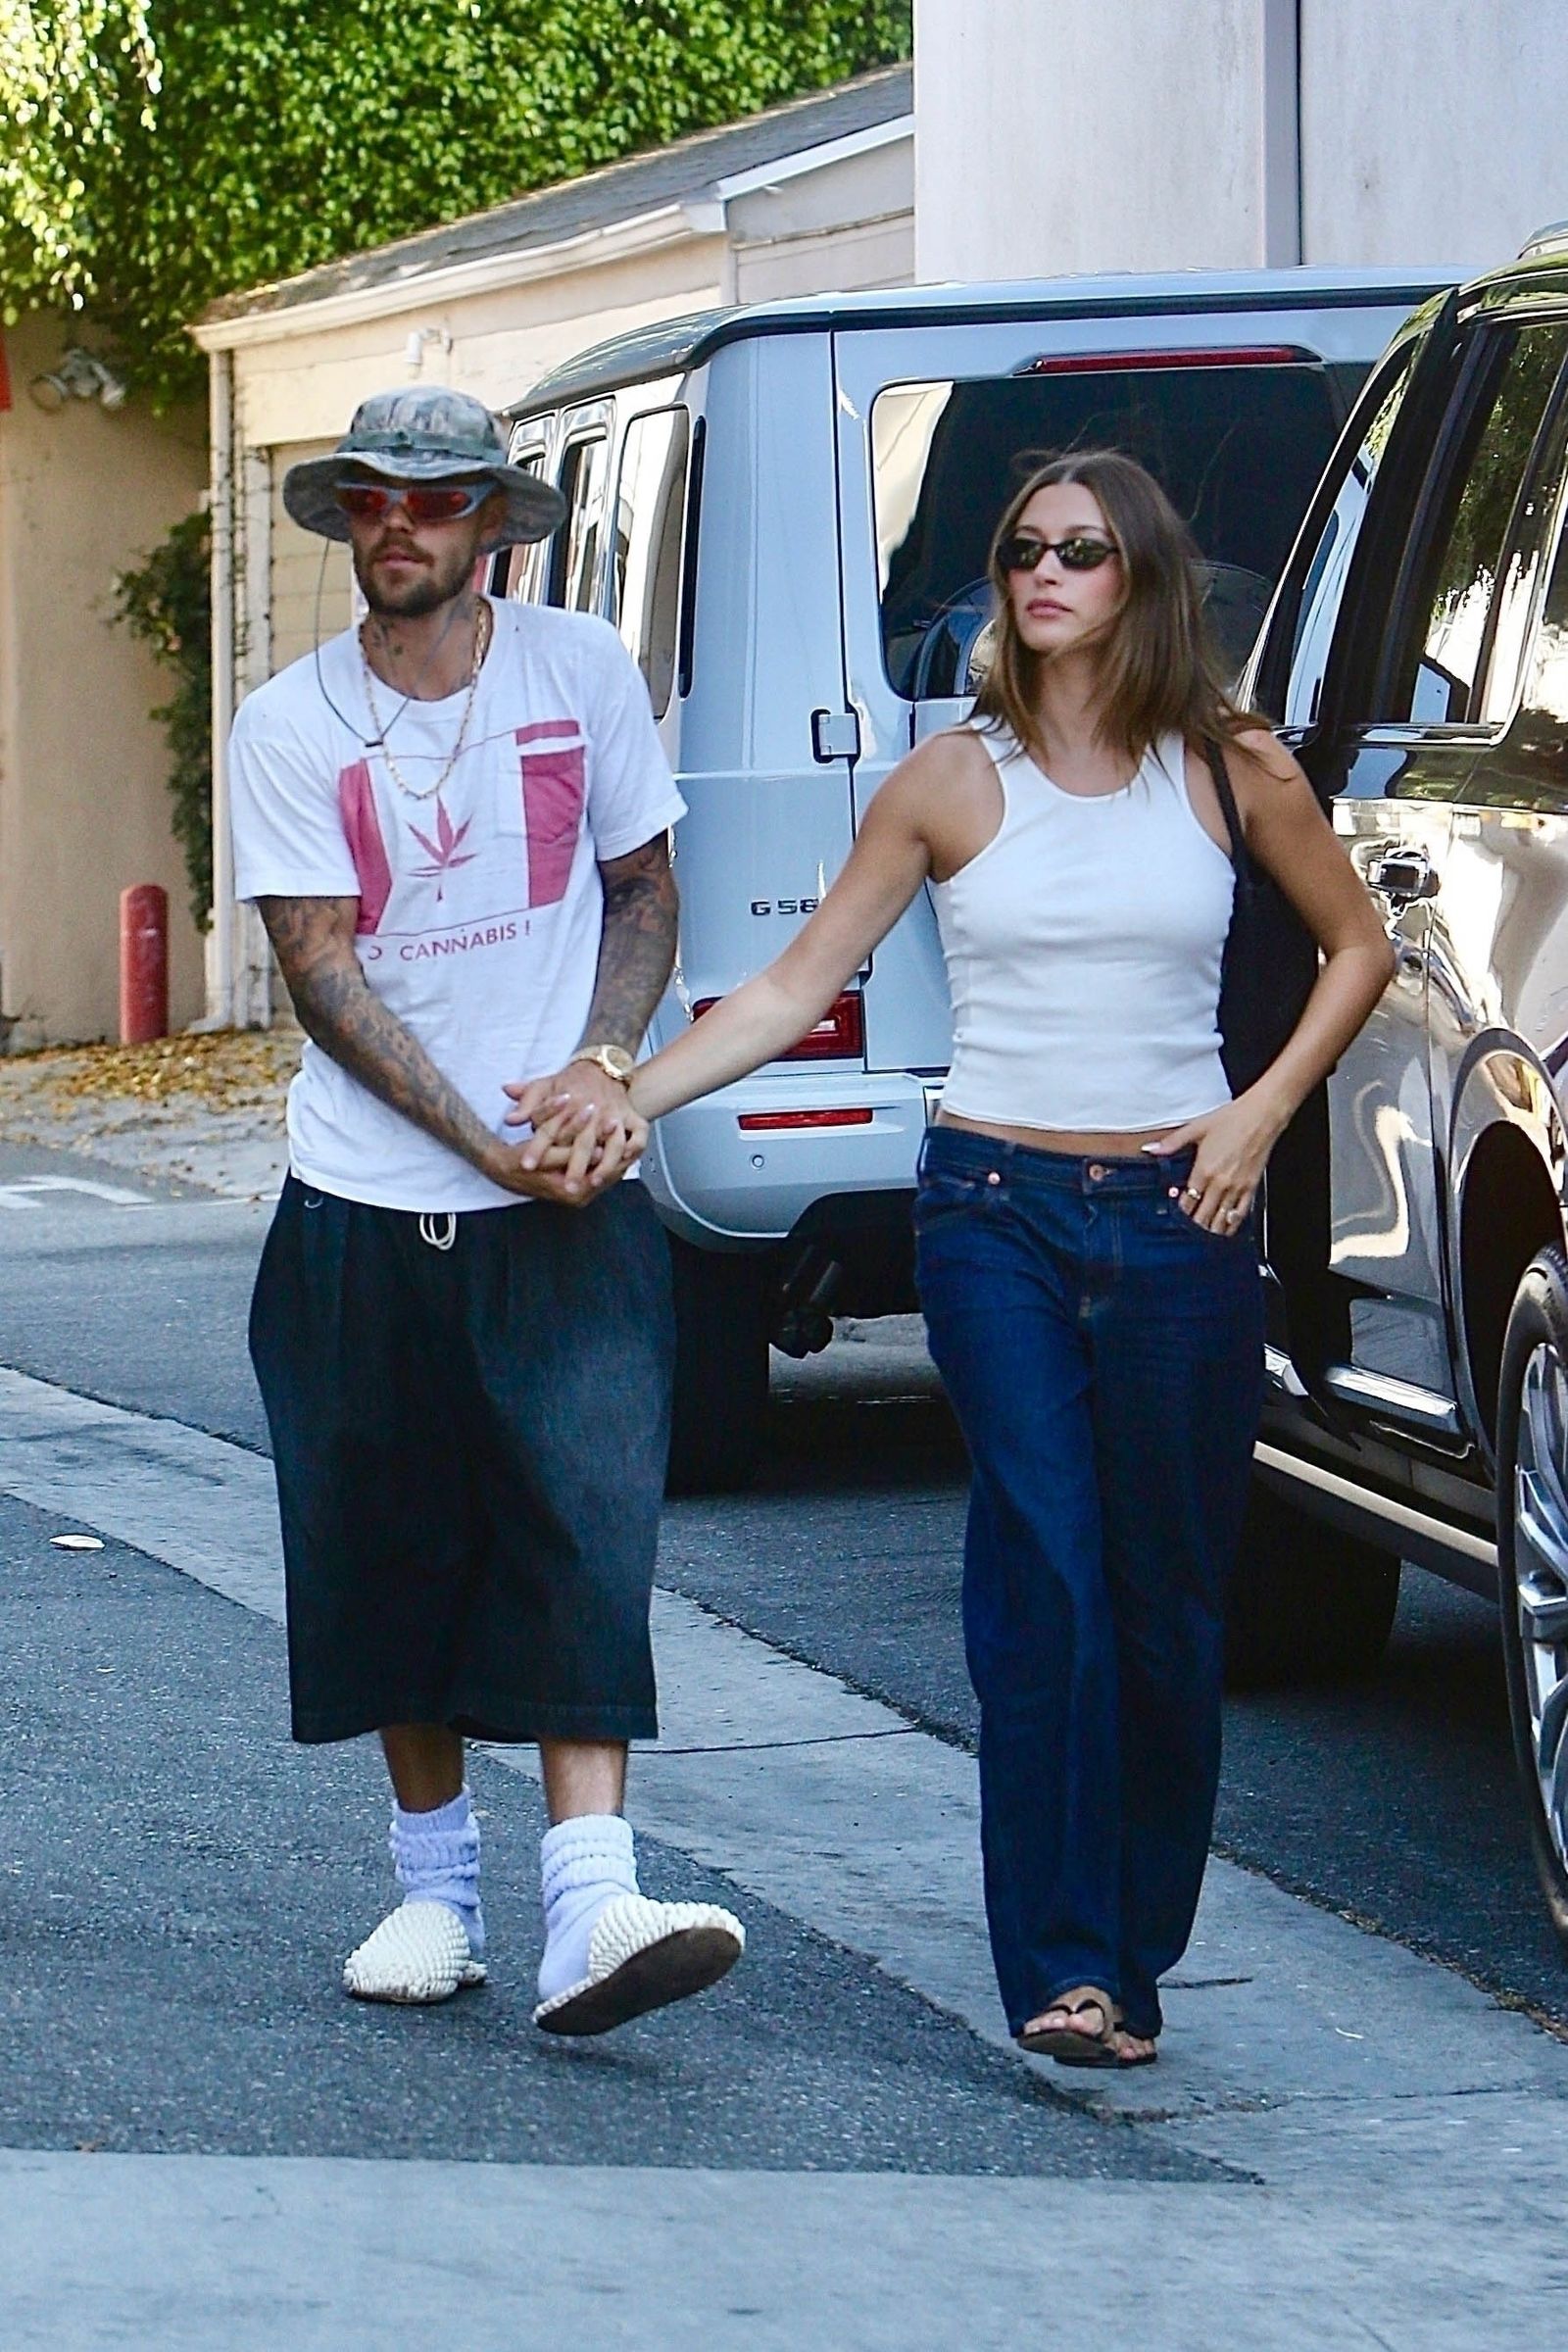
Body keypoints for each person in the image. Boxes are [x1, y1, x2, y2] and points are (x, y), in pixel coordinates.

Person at [517, 449, 1393, 2067]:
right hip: (993, 1209)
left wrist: (1257, 1119)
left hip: (1181, 1220)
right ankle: (1065, 1969)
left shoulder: (1229, 768)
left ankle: (1133, 1951)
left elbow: (1360, 945)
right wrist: (623, 1090)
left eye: (1080, 551)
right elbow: (787, 992)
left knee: (1168, 1601)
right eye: (1019, 551)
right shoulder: (944, 781)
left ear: (1142, 579)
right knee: (1044, 1574)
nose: (1042, 575)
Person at [229, 386, 742, 2031]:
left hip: (570, 1199)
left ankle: (591, 1906)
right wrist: (479, 1138)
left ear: (492, 529)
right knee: (389, 1548)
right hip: (362, 1201)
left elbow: (644, 888)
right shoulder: (289, 724)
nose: (401, 527)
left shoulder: (580, 674)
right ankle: (434, 1894)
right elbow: (319, 964)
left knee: (584, 1529)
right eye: (375, 501)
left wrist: (603, 1065)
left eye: (436, 503)